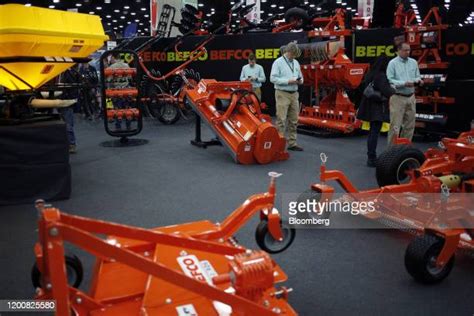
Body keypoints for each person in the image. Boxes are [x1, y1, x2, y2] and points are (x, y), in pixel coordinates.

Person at [357, 56, 395, 167]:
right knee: (374, 133)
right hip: (377, 108)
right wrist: (395, 89)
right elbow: (387, 91)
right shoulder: (381, 76)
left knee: (372, 133)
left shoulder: (371, 74)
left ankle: (371, 156)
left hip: (369, 106)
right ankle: (372, 158)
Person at [386, 42, 423, 145]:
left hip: (411, 97)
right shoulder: (392, 63)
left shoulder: (413, 62)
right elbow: (390, 80)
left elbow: (417, 76)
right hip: (397, 97)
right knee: (395, 126)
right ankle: (392, 151)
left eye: (409, 50)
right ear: (398, 51)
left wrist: (418, 81)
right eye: (405, 50)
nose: (408, 52)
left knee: (410, 126)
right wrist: (404, 83)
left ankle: (404, 149)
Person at [270, 41, 304, 151]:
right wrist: (288, 81)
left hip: (294, 94)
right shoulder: (278, 62)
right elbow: (273, 78)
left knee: (294, 120)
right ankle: (278, 144)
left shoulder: (296, 63)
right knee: (281, 120)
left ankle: (292, 143)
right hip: (282, 93)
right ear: (288, 52)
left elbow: (301, 77)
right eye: (293, 54)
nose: (294, 56)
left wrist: (300, 81)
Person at [59, 68, 81, 154]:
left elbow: (73, 87)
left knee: (68, 125)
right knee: (64, 124)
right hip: (61, 100)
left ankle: (71, 144)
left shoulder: (69, 72)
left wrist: (69, 97)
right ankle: (68, 144)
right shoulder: (64, 73)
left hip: (66, 101)